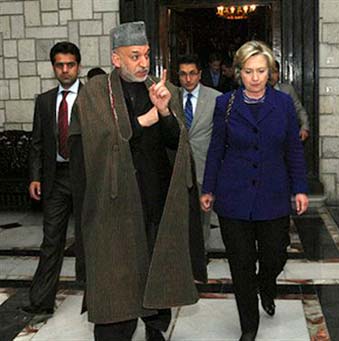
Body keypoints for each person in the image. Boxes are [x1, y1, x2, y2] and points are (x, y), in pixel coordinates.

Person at [68, 22, 204, 341]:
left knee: (157, 283)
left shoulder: (159, 88)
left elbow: (176, 143)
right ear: (117, 59)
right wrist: (144, 120)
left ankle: (155, 330)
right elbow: (96, 145)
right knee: (117, 297)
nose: (144, 63)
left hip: (154, 205)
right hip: (113, 211)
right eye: (134, 56)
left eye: (145, 55)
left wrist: (166, 113)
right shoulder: (95, 93)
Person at [200, 41, 309, 341]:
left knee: (275, 253)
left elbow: (293, 150)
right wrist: (208, 187)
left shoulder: (283, 104)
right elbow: (215, 149)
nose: (256, 77)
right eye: (249, 71)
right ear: (239, 73)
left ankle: (267, 283)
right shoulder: (226, 104)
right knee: (241, 263)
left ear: (270, 72)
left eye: (261, 71)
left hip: (273, 194)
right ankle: (249, 326)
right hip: (234, 195)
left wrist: (300, 188)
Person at [24, 41, 85, 320]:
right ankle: (41, 301)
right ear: (53, 68)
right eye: (59, 65)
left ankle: (98, 297)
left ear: (78, 66)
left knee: (91, 240)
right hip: (55, 179)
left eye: (70, 64)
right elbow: (37, 143)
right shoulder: (45, 101)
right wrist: (35, 177)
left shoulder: (91, 98)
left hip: (86, 178)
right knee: (51, 241)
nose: (65, 70)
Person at [177, 54, 221, 246]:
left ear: (200, 74)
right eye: (183, 74)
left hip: (204, 167)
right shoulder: (170, 97)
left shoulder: (215, 98)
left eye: (192, 74)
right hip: (178, 168)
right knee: (180, 217)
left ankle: (201, 257)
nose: (188, 79)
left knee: (204, 218)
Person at [270, 61, 310, 142]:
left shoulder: (287, 90)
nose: (271, 76)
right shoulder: (255, 92)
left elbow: (299, 109)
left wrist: (304, 127)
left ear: (278, 74)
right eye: (268, 72)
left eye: (274, 72)